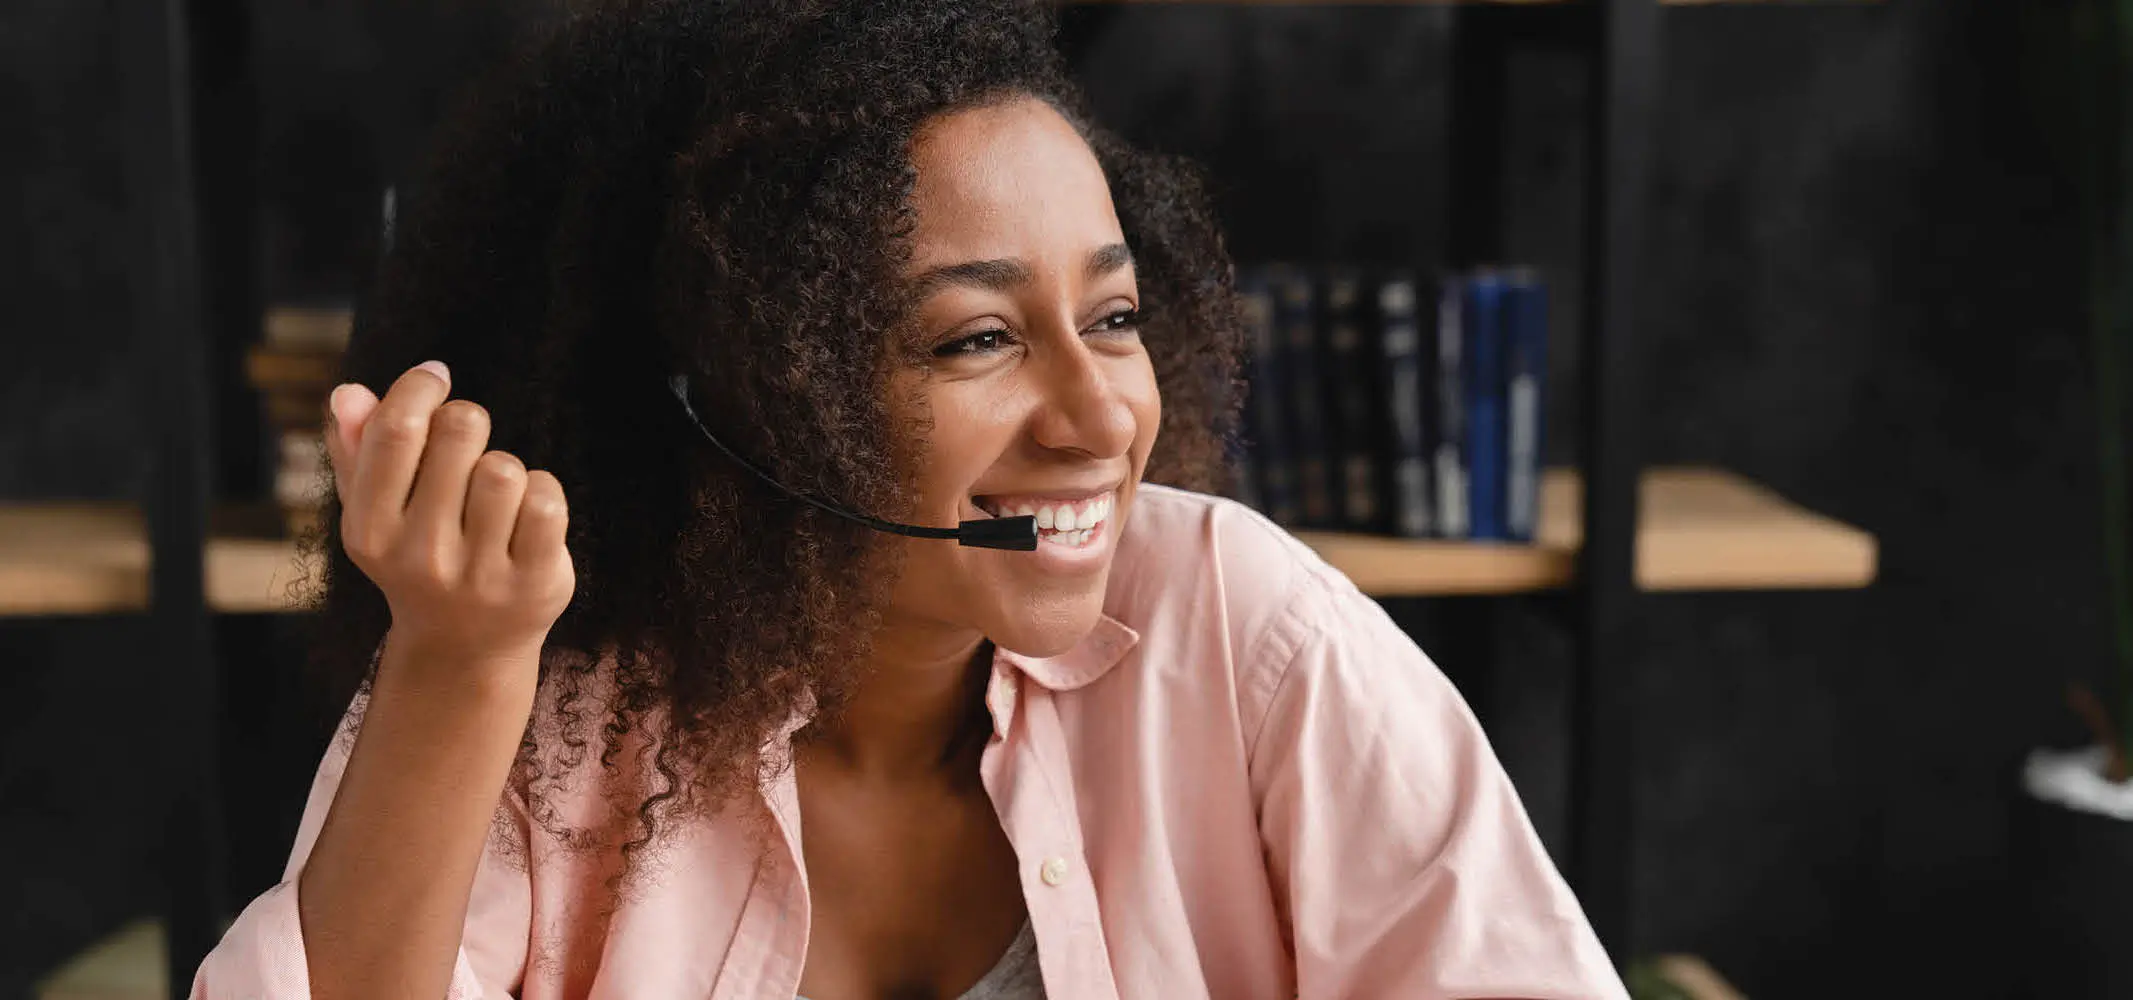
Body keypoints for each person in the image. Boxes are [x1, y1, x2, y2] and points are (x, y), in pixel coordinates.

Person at [192, 1, 1624, 997]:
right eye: (978, 338)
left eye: (1115, 318)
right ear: (744, 387)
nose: (1100, 416)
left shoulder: (1246, 636)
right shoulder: (539, 702)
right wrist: (452, 672)